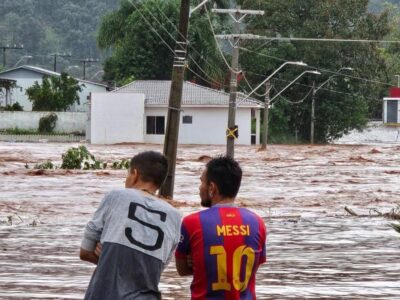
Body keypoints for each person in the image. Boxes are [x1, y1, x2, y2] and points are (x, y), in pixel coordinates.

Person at [80, 151, 181, 300]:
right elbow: (157, 268)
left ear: (134, 174)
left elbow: (85, 252)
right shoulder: (175, 216)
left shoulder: (116, 197)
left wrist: (108, 254)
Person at [175, 156, 267, 299]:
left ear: (212, 188)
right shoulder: (257, 222)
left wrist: (199, 260)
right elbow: (252, 266)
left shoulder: (191, 222)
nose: (199, 188)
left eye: (201, 182)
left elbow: (182, 269)